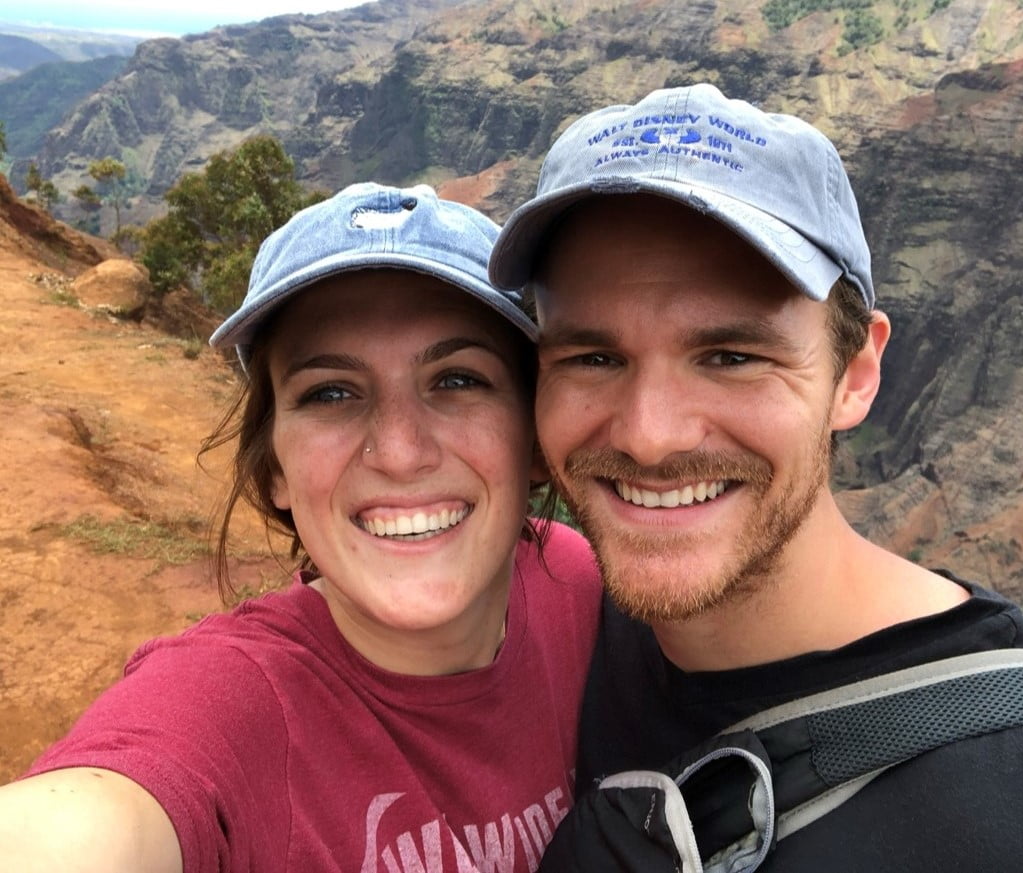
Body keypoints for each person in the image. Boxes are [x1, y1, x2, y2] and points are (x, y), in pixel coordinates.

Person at [488, 83, 1023, 870]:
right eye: (593, 357)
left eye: (731, 356)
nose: (648, 435)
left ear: (856, 372)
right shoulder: (566, 643)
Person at [0, 182, 601, 871]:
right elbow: (87, 826)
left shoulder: (576, 583)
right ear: (276, 466)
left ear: (532, 437)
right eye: (331, 392)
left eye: (458, 379)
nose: (400, 451)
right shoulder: (233, 704)